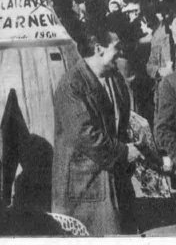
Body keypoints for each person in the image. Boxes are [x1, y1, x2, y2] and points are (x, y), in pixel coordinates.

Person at [52, 28, 140, 236]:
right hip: (85, 186)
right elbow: (85, 135)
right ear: (99, 49)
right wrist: (123, 153)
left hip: (112, 181)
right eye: (116, 48)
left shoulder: (114, 78)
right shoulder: (72, 85)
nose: (120, 53)